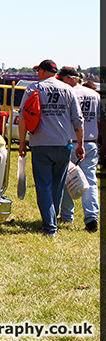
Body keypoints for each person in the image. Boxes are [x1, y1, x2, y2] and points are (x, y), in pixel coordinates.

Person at [19, 59, 84, 236]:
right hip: (64, 144)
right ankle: (51, 220)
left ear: (42, 71)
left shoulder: (34, 88)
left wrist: (23, 143)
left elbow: (23, 116)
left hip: (41, 144)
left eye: (38, 71)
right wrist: (81, 143)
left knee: (43, 186)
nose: (37, 74)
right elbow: (78, 119)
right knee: (57, 185)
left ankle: (50, 226)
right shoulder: (68, 89)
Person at [56, 67, 99, 232]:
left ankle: (67, 215)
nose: (61, 82)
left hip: (71, 142)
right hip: (90, 141)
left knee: (67, 179)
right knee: (90, 181)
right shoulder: (95, 95)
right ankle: (91, 218)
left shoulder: (69, 93)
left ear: (72, 79)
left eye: (63, 79)